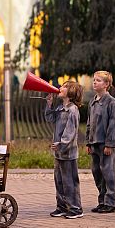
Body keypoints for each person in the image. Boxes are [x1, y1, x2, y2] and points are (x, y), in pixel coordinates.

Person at [46, 80, 84, 219]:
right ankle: (62, 206)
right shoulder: (60, 108)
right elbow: (50, 118)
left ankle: (75, 209)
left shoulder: (73, 110)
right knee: (59, 181)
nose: (60, 88)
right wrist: (49, 104)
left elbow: (71, 131)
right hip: (59, 152)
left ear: (71, 92)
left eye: (64, 86)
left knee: (70, 182)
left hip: (68, 153)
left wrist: (61, 144)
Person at [86, 71, 115, 214]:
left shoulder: (111, 102)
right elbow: (89, 123)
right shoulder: (92, 102)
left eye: (98, 80)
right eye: (94, 80)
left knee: (108, 173)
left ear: (106, 84)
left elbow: (113, 124)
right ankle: (102, 200)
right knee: (97, 172)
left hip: (105, 144)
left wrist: (109, 144)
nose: (95, 82)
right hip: (94, 143)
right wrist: (88, 142)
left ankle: (111, 202)